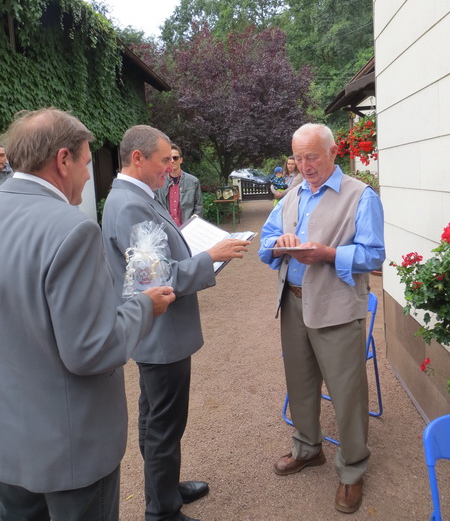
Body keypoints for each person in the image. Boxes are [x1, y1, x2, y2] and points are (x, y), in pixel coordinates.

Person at [0, 109, 175, 521]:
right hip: (70, 446)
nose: (87, 174)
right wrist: (144, 307)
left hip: (10, 440)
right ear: (63, 160)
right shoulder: (71, 228)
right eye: (85, 162)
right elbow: (90, 351)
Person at [101, 125, 251, 521]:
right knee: (164, 424)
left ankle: (164, 488)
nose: (171, 167)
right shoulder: (131, 204)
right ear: (138, 158)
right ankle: (162, 511)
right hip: (160, 335)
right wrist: (210, 256)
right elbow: (156, 282)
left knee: (156, 418)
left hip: (155, 333)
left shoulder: (133, 196)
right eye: (164, 160)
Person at [258, 123, 385, 515]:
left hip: (337, 307)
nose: (304, 165)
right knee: (300, 383)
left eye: (312, 156)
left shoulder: (360, 195)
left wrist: (329, 255)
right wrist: (278, 245)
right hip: (293, 302)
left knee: (347, 392)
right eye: (298, 158)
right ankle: (308, 449)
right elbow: (265, 241)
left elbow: (374, 254)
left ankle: (352, 469)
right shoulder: (292, 195)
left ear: (333, 152)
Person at [155, 143, 203, 226]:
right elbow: (156, 205)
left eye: (175, 158)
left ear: (181, 160)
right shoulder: (159, 182)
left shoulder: (193, 181)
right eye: (169, 158)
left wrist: (193, 223)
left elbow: (199, 207)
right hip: (168, 228)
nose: (172, 161)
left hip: (187, 227)